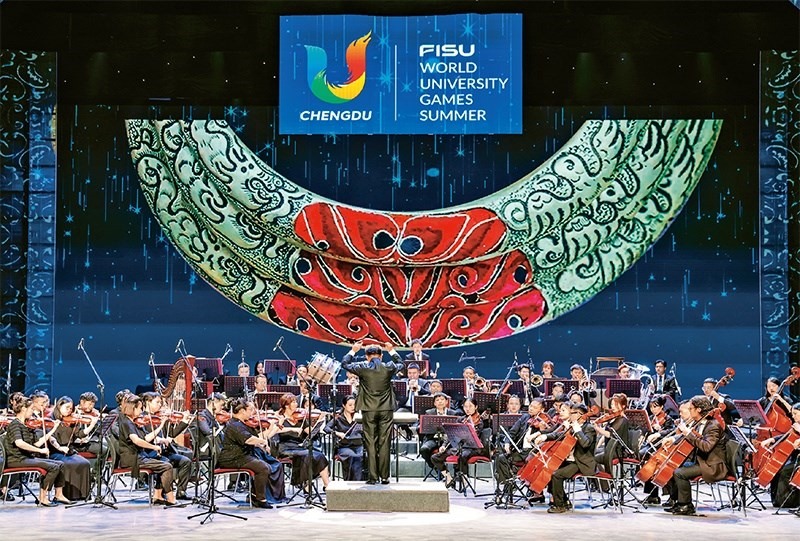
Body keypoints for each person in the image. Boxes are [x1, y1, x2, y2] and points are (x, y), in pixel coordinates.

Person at [341, 340, 404, 484]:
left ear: (367, 356)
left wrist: (353, 350)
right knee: (384, 442)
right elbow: (401, 363)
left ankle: (373, 477)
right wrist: (392, 350)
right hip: (386, 409)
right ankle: (385, 477)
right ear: (381, 356)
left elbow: (345, 364)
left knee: (370, 441)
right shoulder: (388, 366)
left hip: (368, 409)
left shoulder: (362, 367)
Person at [663, 395, 728, 516]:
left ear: (699, 409)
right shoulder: (699, 422)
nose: (689, 410)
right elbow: (689, 436)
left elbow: (706, 447)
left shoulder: (713, 426)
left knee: (680, 473)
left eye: (691, 408)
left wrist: (688, 433)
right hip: (701, 461)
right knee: (672, 466)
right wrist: (672, 439)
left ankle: (686, 505)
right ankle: (676, 501)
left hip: (711, 465)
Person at [217, 398, 284, 508]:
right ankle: (260, 499)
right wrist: (262, 442)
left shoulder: (240, 423)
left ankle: (255, 495)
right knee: (263, 467)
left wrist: (261, 442)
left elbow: (253, 438)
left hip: (242, 455)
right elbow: (248, 439)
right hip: (232, 458)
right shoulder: (234, 425)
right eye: (250, 410)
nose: (252, 412)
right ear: (242, 411)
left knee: (265, 464)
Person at [3, 392, 68, 506]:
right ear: (24, 409)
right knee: (53, 467)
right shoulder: (15, 424)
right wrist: (40, 451)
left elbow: (36, 444)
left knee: (61, 464)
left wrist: (53, 430)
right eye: (31, 409)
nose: (32, 411)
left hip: (25, 458)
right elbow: (19, 443)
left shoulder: (25, 425)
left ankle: (59, 494)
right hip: (16, 459)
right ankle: (42, 498)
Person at [534, 403, 597, 513]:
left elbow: (585, 444)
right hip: (571, 460)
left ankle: (559, 506)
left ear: (579, 414)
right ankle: (565, 501)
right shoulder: (573, 427)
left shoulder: (589, 428)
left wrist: (577, 430)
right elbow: (559, 435)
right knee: (550, 470)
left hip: (581, 463)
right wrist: (544, 436)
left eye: (572, 413)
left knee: (557, 475)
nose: (570, 415)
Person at [116, 394, 177, 506]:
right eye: (140, 408)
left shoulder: (134, 422)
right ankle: (170, 498)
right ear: (133, 408)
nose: (141, 411)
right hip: (133, 458)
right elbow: (137, 441)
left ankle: (158, 496)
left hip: (140, 456)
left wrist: (161, 425)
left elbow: (146, 438)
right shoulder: (126, 423)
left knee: (165, 462)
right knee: (166, 466)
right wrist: (154, 447)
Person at [140, 392, 192, 499]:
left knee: (186, 461)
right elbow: (146, 438)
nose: (160, 405)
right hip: (151, 453)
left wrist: (184, 421)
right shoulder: (143, 419)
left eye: (160, 402)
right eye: (157, 402)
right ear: (148, 402)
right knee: (166, 463)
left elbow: (171, 434)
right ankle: (163, 492)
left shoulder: (159, 418)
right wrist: (161, 440)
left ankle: (181, 491)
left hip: (165, 451)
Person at [276, 393, 330, 490]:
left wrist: (319, 421)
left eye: (296, 402)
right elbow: (275, 430)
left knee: (320, 455)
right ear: (286, 405)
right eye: (293, 402)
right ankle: (306, 486)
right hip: (285, 447)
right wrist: (291, 429)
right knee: (307, 455)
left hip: (299, 446)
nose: (296, 404)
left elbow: (310, 432)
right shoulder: (279, 417)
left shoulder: (300, 418)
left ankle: (327, 485)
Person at [430, 398, 488, 488]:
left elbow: (476, 436)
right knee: (435, 457)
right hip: (459, 447)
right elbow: (451, 434)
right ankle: (448, 477)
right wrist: (444, 446)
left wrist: (471, 427)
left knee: (462, 456)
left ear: (476, 407)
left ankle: (465, 479)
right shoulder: (460, 419)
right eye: (465, 406)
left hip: (473, 448)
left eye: (470, 406)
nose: (467, 409)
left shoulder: (480, 421)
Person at [755, 401, 800, 509]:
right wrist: (772, 439)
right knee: (778, 470)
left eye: (795, 414)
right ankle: (777, 500)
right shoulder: (796, 425)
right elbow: (786, 436)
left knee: (786, 472)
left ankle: (789, 501)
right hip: (794, 456)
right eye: (792, 414)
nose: (793, 417)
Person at [47, 396, 92, 501]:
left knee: (85, 463)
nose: (69, 410)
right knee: (68, 464)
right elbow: (51, 438)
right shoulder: (51, 419)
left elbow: (80, 434)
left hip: (69, 451)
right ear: (59, 406)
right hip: (55, 451)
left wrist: (91, 424)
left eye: (71, 408)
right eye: (67, 407)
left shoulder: (71, 420)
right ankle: (65, 494)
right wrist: (60, 447)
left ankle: (81, 495)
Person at [641, 394, 675, 504]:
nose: (653, 409)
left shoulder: (667, 419)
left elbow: (672, 431)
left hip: (663, 446)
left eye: (655, 407)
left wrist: (660, 431)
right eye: (651, 407)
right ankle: (652, 495)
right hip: (651, 445)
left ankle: (670, 495)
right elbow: (646, 432)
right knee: (644, 458)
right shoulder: (651, 418)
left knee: (653, 462)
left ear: (661, 407)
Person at [325, 395, 364, 481]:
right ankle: (351, 482)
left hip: (358, 445)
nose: (353, 407)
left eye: (354, 405)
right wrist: (337, 433)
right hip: (344, 446)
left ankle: (359, 482)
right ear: (344, 405)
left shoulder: (358, 418)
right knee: (352, 456)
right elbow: (326, 428)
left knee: (361, 456)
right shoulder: (339, 418)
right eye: (350, 405)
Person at [593, 393, 631, 475]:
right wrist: (597, 446)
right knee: (590, 453)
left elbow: (610, 435)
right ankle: (601, 478)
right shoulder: (613, 418)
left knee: (593, 458)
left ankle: (605, 478)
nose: (612, 406)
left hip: (617, 450)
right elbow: (604, 435)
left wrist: (597, 428)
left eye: (615, 404)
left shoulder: (622, 420)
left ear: (623, 406)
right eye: (612, 404)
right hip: (608, 447)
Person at [419, 392, 458, 472]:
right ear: (434, 403)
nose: (440, 401)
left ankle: (456, 473)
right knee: (424, 449)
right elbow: (425, 429)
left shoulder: (453, 413)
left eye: (442, 399)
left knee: (458, 450)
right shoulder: (429, 413)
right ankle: (436, 467)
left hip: (449, 440)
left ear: (446, 402)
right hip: (433, 438)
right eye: (437, 400)